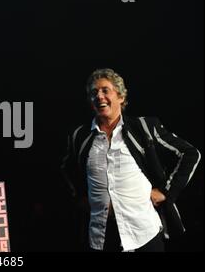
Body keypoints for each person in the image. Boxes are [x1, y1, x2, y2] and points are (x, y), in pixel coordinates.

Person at [61, 68, 201, 252]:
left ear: (120, 97)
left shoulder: (143, 127)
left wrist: (167, 191)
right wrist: (79, 196)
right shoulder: (79, 135)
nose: (99, 96)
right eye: (94, 93)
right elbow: (66, 168)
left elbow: (190, 153)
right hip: (100, 237)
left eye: (105, 90)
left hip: (143, 234)